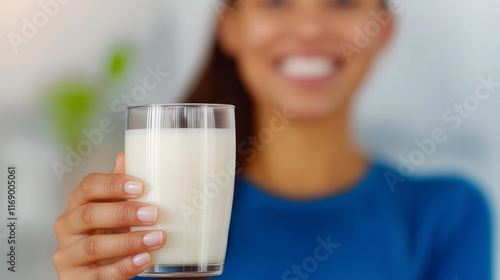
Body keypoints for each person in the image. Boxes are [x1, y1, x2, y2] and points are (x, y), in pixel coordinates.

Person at [53, 0, 492, 279]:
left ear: (383, 30)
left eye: (342, 1)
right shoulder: (153, 224)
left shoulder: (448, 214)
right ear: (231, 28)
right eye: (275, 1)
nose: (308, 28)